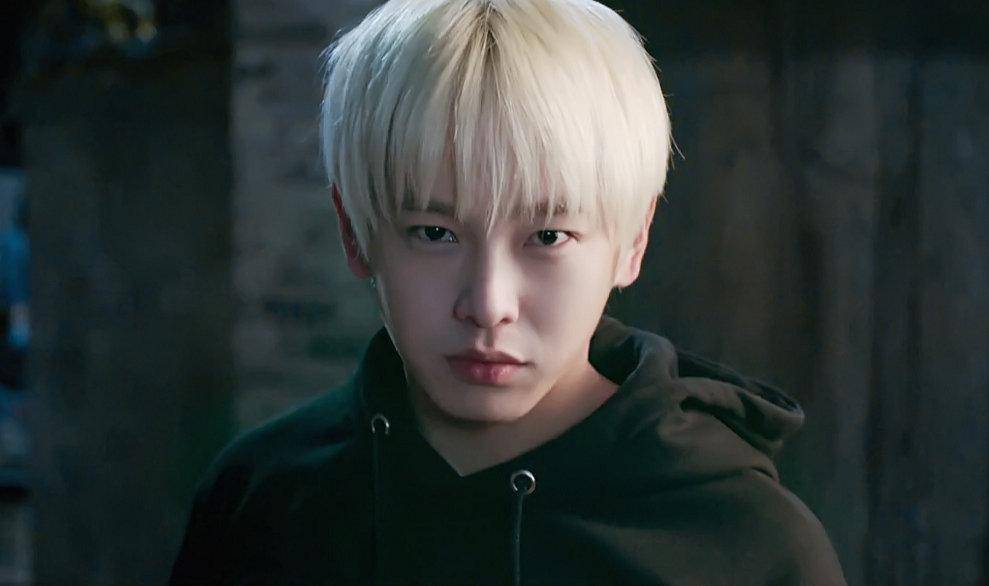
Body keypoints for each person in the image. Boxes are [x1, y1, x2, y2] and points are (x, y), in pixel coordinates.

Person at [170, 1, 847, 584]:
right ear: (355, 233)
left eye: (548, 237)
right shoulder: (259, 502)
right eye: (434, 232)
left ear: (633, 241)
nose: (488, 305)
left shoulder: (748, 541)